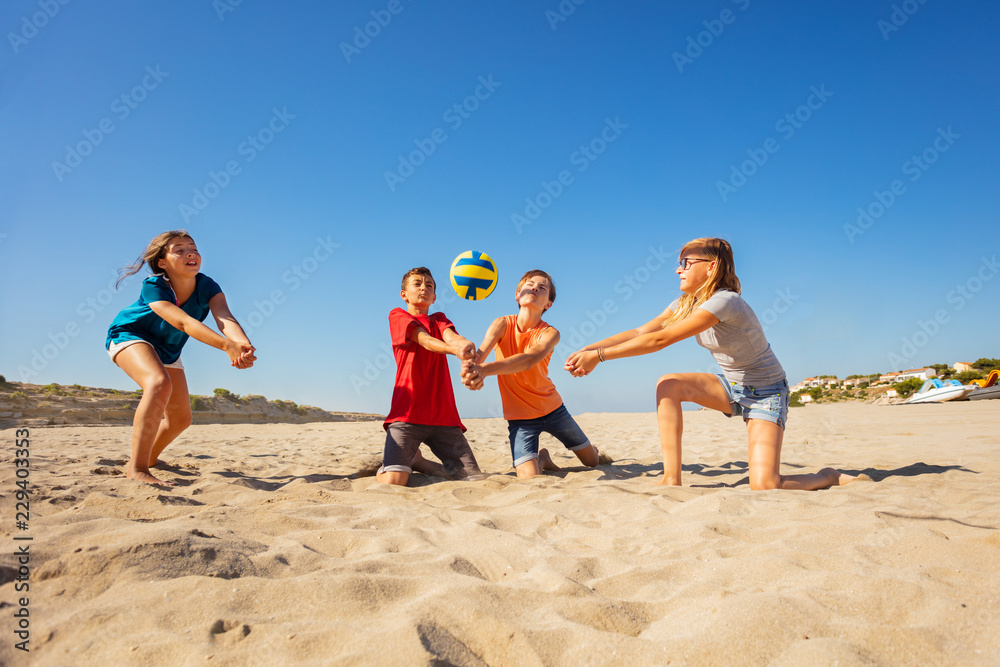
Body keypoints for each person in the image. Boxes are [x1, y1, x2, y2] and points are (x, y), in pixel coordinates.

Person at [564, 238, 852, 490]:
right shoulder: (686, 303)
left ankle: (827, 476)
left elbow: (659, 341)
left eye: (686, 263)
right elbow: (642, 332)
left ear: (711, 266)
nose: (678, 269)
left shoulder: (724, 302)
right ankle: (671, 478)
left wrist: (599, 358)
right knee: (669, 384)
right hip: (731, 385)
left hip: (767, 394)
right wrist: (591, 348)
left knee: (765, 485)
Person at [107, 231, 256, 486]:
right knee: (158, 383)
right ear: (162, 262)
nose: (190, 253)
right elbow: (184, 321)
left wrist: (242, 345)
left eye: (194, 248)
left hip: (168, 350)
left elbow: (225, 318)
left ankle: (150, 459)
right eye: (179, 249)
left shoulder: (208, 285)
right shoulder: (155, 286)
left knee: (180, 419)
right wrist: (225, 346)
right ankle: (137, 468)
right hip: (131, 336)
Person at [461, 270, 605, 479]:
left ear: (548, 304)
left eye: (543, 287)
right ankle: (542, 458)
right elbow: (480, 355)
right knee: (529, 478)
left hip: (553, 409)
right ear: (517, 295)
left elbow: (528, 360)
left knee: (592, 462)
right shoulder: (501, 323)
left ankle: (585, 449)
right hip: (520, 419)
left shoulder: (550, 333)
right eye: (530, 284)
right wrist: (470, 368)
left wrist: (483, 371)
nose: (535, 287)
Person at [377, 267, 483, 486]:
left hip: (444, 416)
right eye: (417, 284)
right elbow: (424, 340)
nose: (423, 287)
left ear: (434, 297)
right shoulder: (398, 315)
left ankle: (418, 462)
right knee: (394, 482)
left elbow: (451, 336)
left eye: (429, 285)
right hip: (406, 414)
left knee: (474, 479)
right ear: (404, 293)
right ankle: (397, 463)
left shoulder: (439, 319)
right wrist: (455, 351)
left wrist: (464, 344)